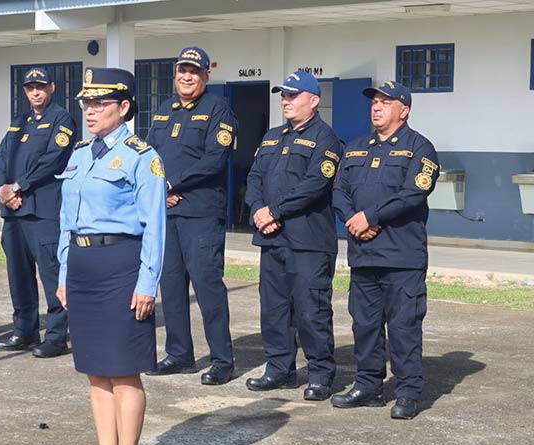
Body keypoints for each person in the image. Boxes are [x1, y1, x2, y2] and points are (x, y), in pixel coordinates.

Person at [56, 67, 166, 445]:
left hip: (121, 266)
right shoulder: (80, 154)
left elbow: (155, 225)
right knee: (96, 372)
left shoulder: (142, 156)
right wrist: (63, 275)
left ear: (124, 107)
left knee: (123, 371)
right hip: (82, 267)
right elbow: (66, 222)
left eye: (100, 103)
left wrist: (148, 282)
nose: (90, 111)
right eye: (87, 103)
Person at [331, 81, 439, 420]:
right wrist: (353, 219)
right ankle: (368, 385)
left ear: (403, 110)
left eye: (385, 102)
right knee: (364, 325)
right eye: (374, 102)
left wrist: (371, 217)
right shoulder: (355, 147)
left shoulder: (420, 148)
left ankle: (407, 392)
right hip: (363, 253)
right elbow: (338, 190)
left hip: (401, 257)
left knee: (404, 327)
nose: (376, 107)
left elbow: (413, 194)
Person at [243, 71, 342, 400]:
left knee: (311, 310)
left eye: (292, 95)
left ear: (313, 101)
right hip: (272, 239)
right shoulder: (272, 137)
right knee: (274, 309)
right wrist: (258, 210)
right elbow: (254, 178)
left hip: (308, 242)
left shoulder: (326, 139)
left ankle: (320, 374)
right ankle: (279, 368)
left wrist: (275, 211)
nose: (285, 101)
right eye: (283, 96)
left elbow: (315, 185)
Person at [145, 46, 238, 386]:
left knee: (207, 287)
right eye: (182, 70)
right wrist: (159, 188)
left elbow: (215, 159)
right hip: (167, 212)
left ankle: (222, 361)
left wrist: (173, 183)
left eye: (194, 71)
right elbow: (149, 154)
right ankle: (179, 354)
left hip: (201, 213)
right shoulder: (164, 110)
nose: (187, 77)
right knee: (170, 286)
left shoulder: (218, 110)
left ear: (206, 76)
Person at [0, 67, 77, 358]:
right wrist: (4, 191)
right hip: (14, 212)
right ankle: (24, 331)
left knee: (51, 274)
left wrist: (18, 186)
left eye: (40, 87)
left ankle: (56, 337)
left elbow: (54, 159)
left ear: (51, 88)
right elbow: (2, 157)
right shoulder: (19, 122)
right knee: (18, 275)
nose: (35, 92)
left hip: (42, 211)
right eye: (30, 88)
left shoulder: (61, 119)